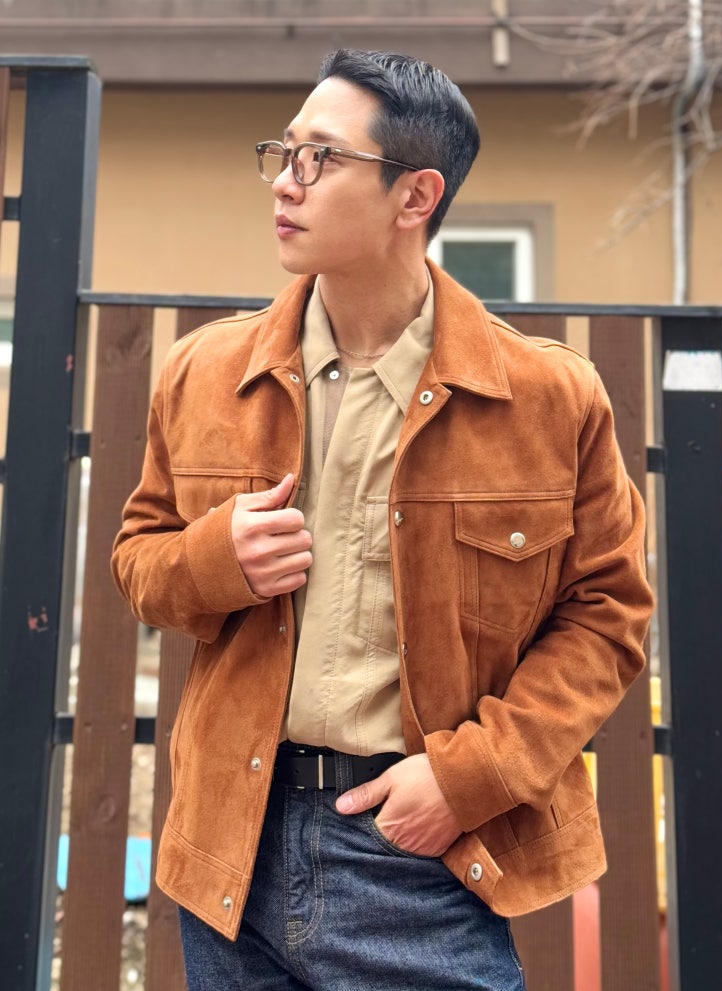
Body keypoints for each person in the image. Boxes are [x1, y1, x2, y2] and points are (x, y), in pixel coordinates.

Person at [112, 49, 653, 991]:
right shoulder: (204, 373)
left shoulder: (547, 396)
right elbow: (138, 561)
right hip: (229, 846)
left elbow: (607, 617)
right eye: (283, 152)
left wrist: (468, 777)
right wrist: (213, 559)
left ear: (416, 195)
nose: (285, 181)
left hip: (418, 851)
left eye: (320, 157)